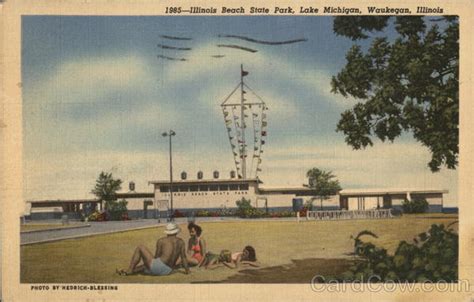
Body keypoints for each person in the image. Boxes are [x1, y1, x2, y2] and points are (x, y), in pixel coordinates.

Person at [117, 222, 189, 276]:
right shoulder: (181, 242)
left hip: (158, 268)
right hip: (168, 270)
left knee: (140, 247)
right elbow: (184, 257)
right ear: (176, 231)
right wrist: (187, 271)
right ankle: (132, 270)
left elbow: (157, 257)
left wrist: (146, 261)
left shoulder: (162, 240)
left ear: (167, 232)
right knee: (147, 265)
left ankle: (130, 270)